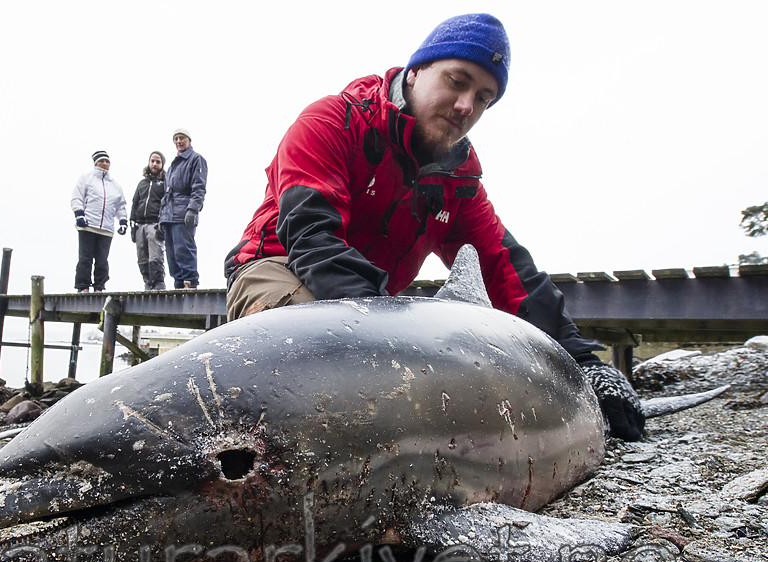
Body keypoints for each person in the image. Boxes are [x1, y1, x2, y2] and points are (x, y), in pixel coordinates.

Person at [222, 13, 644, 441]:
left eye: (484, 98)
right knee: (322, 361)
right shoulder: (331, 122)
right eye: (457, 81)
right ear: (417, 70)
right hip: (281, 266)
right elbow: (312, 238)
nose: (466, 106)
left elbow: (506, 270)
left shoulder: (458, 183)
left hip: (378, 309)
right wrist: (389, 337)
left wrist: (583, 364)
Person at [70, 150, 128, 292]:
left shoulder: (115, 185)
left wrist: (123, 221)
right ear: (95, 162)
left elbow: (120, 205)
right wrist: (79, 214)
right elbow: (77, 197)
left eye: (107, 161)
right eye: (101, 161)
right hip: (88, 225)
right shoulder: (86, 178)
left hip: (106, 229)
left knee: (102, 260)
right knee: (85, 258)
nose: (104, 163)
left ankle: (100, 286)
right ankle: (83, 286)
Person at [159, 129, 208, 289]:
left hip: (184, 210)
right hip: (169, 212)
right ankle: (178, 283)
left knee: (184, 248)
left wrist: (193, 209)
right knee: (171, 252)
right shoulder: (174, 163)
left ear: (189, 140)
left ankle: (190, 281)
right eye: (176, 139)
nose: (179, 141)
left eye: (182, 138)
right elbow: (166, 192)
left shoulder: (196, 159)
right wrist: (162, 217)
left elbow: (199, 187)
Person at [129, 151, 167, 290]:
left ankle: (158, 283)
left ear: (162, 164)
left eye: (158, 162)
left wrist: (163, 224)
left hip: (154, 224)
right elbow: (135, 203)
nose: (155, 164)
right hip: (140, 224)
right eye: (152, 161)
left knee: (155, 255)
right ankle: (147, 282)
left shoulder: (164, 183)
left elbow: (166, 204)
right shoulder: (142, 184)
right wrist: (132, 223)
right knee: (142, 256)